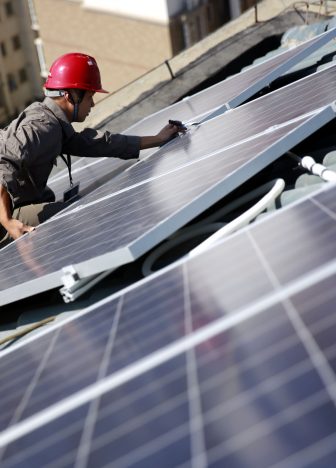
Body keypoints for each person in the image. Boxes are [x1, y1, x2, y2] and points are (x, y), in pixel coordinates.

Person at [0, 52, 184, 247]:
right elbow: (3, 161)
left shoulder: (54, 124)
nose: (93, 104)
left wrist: (157, 139)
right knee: (69, 218)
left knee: (47, 197)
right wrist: (8, 221)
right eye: (90, 96)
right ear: (70, 96)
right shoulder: (43, 126)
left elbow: (99, 143)